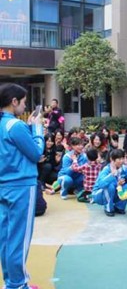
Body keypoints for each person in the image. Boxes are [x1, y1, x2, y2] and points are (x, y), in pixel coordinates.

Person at [0, 83, 45, 289]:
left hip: (4, 186)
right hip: (21, 187)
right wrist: (37, 128)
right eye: (24, 102)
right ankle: (17, 284)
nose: (25, 107)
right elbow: (36, 153)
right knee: (19, 238)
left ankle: (12, 280)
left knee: (6, 238)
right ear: (14, 102)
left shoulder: (4, 125)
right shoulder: (15, 126)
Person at [91, 149, 127, 216]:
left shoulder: (124, 168)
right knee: (110, 186)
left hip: (114, 192)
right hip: (100, 195)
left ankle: (119, 207)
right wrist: (111, 175)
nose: (121, 161)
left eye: (122, 158)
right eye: (119, 159)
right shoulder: (106, 169)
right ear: (112, 159)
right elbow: (101, 184)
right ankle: (108, 208)